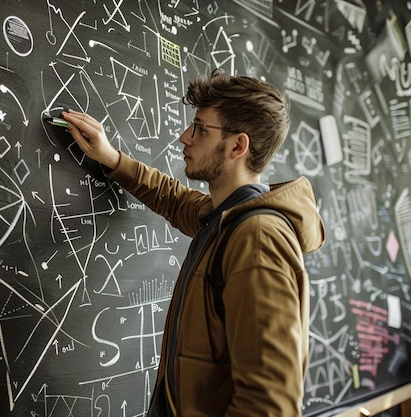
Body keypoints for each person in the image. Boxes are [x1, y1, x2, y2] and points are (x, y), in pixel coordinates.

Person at [61, 68, 326, 417]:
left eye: (201, 129)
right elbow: (174, 199)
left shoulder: (257, 237)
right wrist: (113, 158)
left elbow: (269, 403)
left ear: (238, 145)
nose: (186, 137)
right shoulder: (225, 218)